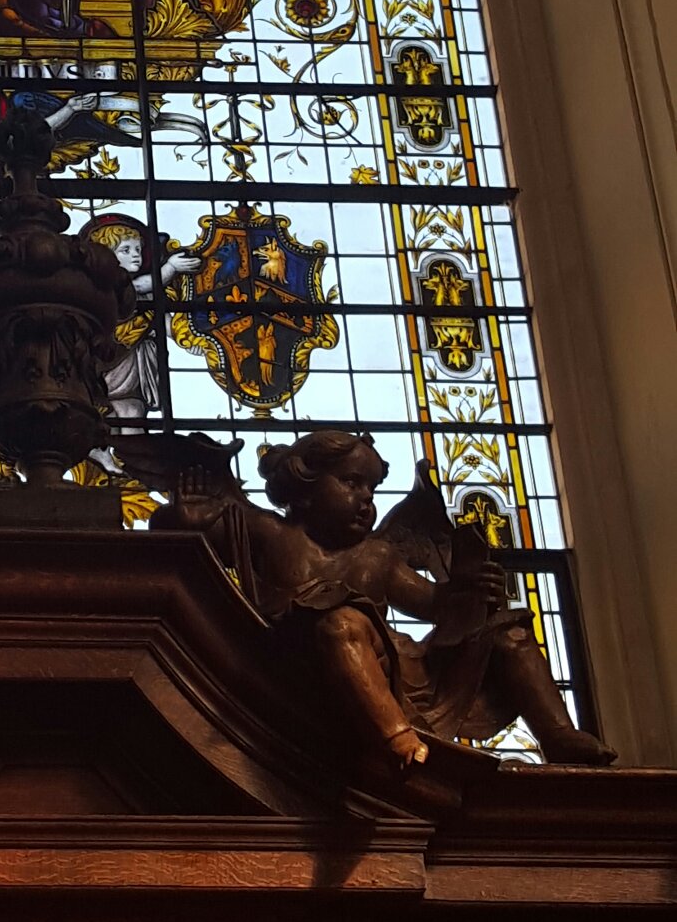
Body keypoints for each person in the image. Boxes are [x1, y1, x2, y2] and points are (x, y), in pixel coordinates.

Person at [144, 426, 614, 769]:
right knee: (340, 623)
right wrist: (186, 514)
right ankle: (397, 739)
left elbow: (436, 606)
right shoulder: (269, 532)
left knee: (507, 634)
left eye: (371, 488)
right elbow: (177, 532)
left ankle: (558, 734)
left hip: (388, 669)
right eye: (351, 483)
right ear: (305, 488)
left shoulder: (378, 556)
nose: (366, 498)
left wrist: (470, 590)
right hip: (300, 672)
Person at [79, 214, 199, 420]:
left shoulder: (150, 296)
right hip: (108, 360)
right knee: (103, 415)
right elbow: (141, 285)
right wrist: (170, 268)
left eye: (138, 249)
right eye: (125, 250)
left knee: (133, 410)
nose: (136, 255)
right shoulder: (103, 288)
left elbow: (163, 322)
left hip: (136, 362)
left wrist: (189, 340)